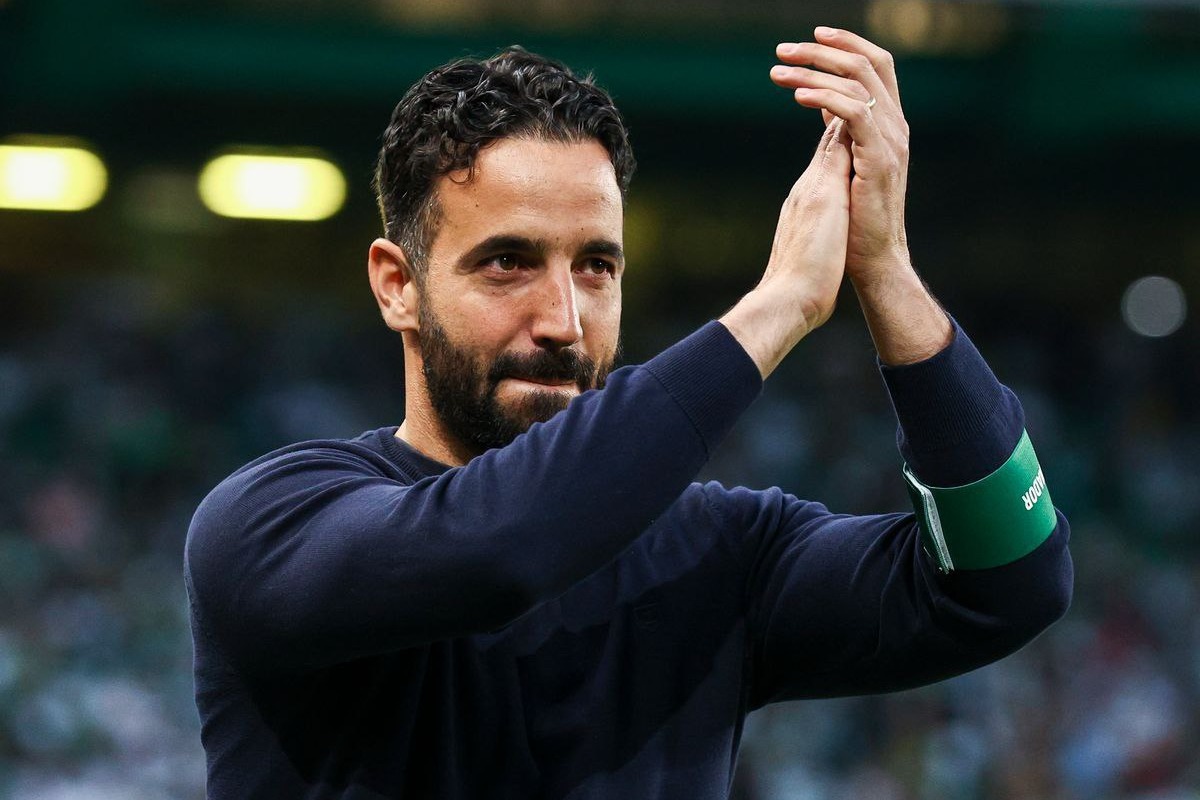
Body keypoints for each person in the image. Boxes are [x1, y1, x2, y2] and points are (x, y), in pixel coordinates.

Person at [185, 27, 1073, 799]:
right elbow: (501, 550)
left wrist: (885, 271)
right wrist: (777, 307)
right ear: (397, 285)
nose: (563, 321)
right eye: (507, 263)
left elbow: (1009, 582)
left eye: (597, 267)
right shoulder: (268, 522)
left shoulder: (716, 556)